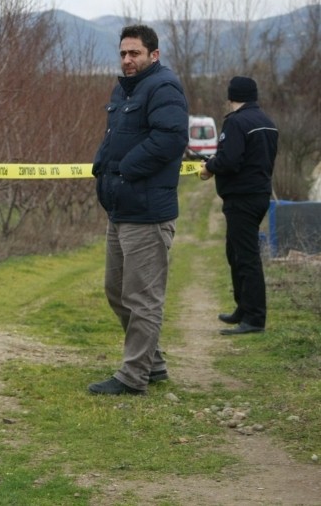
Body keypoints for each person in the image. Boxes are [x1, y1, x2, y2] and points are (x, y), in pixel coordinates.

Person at [90, 24, 189, 396]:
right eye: (123, 53)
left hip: (147, 210)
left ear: (154, 55)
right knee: (116, 291)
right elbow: (112, 136)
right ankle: (154, 362)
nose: (128, 60)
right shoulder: (124, 89)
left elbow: (171, 138)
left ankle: (134, 377)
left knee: (142, 298)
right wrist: (101, 166)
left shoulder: (163, 87)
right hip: (120, 208)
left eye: (135, 53)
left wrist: (126, 169)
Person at [199, 76, 279, 335]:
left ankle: (254, 319)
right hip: (258, 195)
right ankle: (243, 308)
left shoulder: (235, 122)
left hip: (241, 198)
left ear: (231, 97)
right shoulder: (267, 123)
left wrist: (210, 166)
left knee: (246, 258)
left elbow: (230, 161)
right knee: (235, 252)